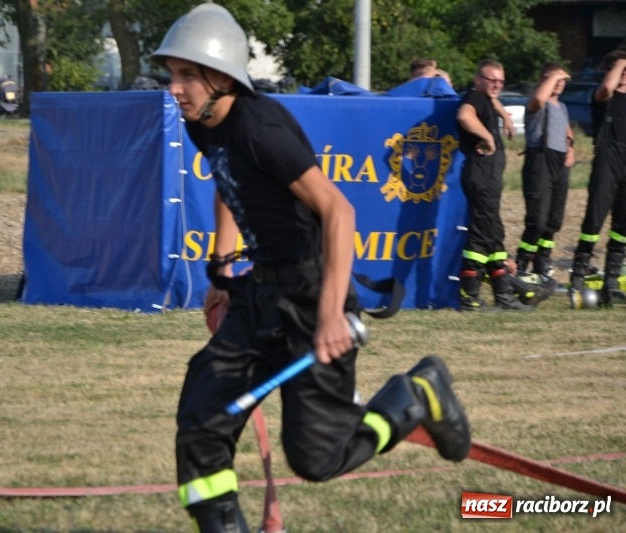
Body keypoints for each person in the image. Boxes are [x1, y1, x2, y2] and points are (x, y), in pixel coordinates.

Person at [151, 5, 471, 532]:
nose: (175, 88)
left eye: (187, 75)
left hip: (309, 295)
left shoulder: (259, 128)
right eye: (173, 75)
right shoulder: (207, 122)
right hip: (258, 293)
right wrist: (224, 268)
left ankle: (418, 394)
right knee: (202, 417)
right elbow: (227, 182)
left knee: (318, 458)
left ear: (221, 76)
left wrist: (328, 315)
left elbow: (337, 211)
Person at [456, 59, 531, 311]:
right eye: (492, 80)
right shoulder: (475, 97)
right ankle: (470, 298)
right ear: (478, 79)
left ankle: (504, 295)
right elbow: (465, 115)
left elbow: (492, 98)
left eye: (501, 81)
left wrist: (504, 117)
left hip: (488, 177)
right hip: (481, 174)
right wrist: (487, 135)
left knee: (493, 233)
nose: (497, 85)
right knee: (480, 237)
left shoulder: (485, 96)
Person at [569, 49, 626, 306]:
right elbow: (606, 88)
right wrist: (620, 63)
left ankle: (610, 283)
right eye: (621, 70)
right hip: (607, 158)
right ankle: (578, 278)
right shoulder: (603, 95)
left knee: (622, 227)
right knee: (594, 219)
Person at [514, 63, 575, 277]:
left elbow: (567, 132)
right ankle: (521, 265)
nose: (559, 83)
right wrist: (557, 74)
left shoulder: (562, 107)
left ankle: (542, 263)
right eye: (553, 79)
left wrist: (571, 148)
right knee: (537, 220)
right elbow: (539, 99)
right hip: (539, 160)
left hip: (559, 164)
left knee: (553, 220)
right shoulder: (536, 103)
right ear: (543, 81)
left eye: (562, 80)